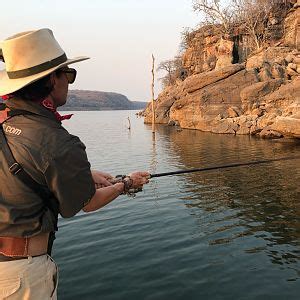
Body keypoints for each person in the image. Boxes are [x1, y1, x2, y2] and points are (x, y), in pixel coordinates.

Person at [0, 28, 150, 299]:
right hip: (19, 278)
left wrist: (86, 173)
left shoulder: (4, 119)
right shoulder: (58, 143)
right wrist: (126, 183)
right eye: (67, 74)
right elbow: (87, 203)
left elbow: (23, 166)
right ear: (51, 80)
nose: (70, 82)